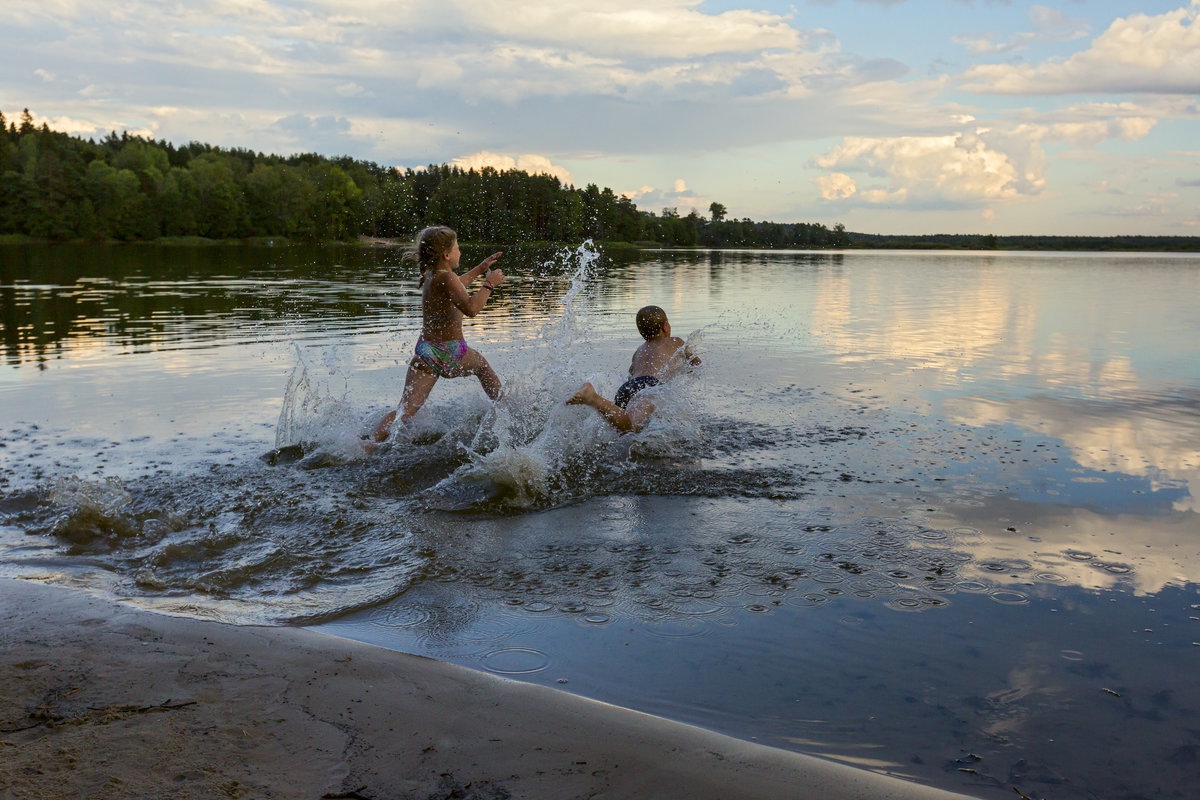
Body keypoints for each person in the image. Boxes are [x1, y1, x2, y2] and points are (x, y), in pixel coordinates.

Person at [371, 225, 505, 442]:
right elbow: (471, 308)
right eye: (457, 248)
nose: (460, 252)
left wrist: (481, 268)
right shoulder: (447, 278)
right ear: (446, 254)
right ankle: (507, 409)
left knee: (405, 410)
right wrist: (489, 284)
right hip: (449, 351)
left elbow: (458, 285)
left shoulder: (433, 275)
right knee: (482, 367)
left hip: (425, 352)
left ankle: (369, 444)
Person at [567, 305, 700, 433]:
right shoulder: (676, 341)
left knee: (624, 430)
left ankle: (599, 403)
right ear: (665, 326)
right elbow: (697, 365)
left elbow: (631, 375)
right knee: (631, 427)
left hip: (628, 388)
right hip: (650, 386)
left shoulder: (639, 351)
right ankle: (594, 398)